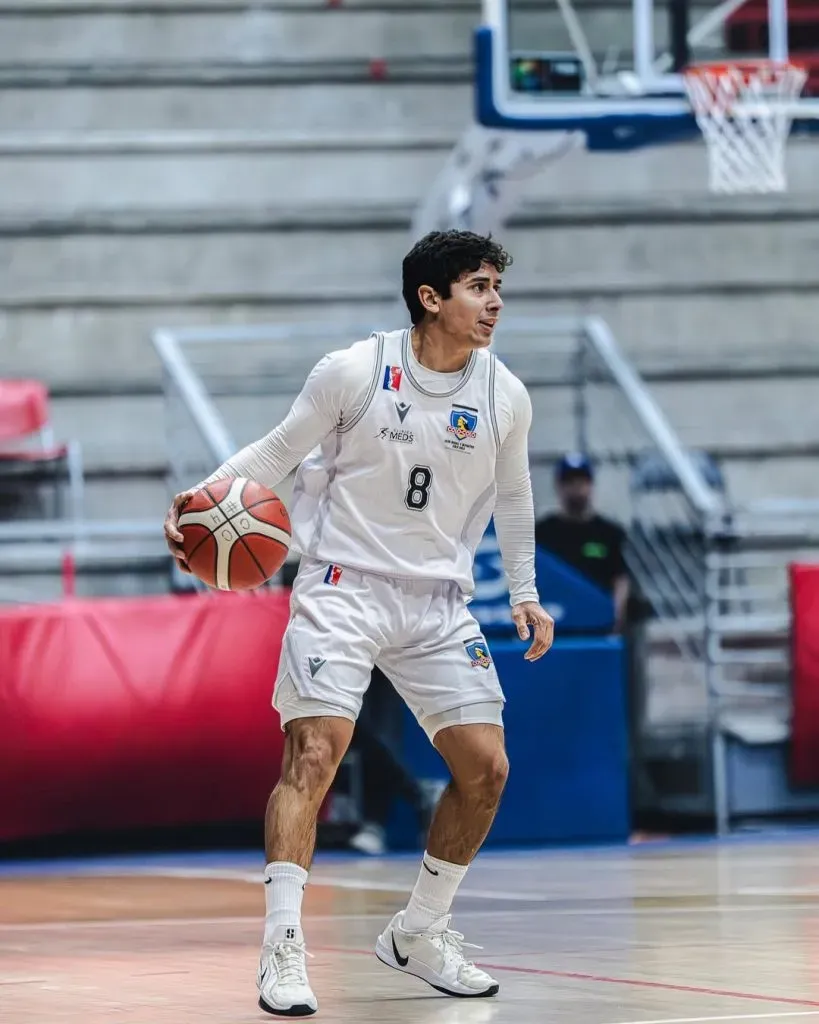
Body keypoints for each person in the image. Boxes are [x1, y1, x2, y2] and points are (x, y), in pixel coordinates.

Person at [163, 229, 554, 1018]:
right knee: (313, 756)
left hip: (438, 602)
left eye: (496, 288)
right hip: (342, 588)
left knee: (487, 771)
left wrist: (524, 591)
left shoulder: (503, 394)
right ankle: (282, 947)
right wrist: (198, 502)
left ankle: (419, 930)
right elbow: (273, 456)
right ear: (430, 298)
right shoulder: (353, 371)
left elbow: (512, 498)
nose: (494, 303)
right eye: (478, 288)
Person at [535, 453, 630, 633]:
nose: (576, 488)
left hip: (596, 623)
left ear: (590, 485)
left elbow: (620, 578)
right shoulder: (543, 532)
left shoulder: (609, 533)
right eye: (569, 483)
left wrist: (616, 616)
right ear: (559, 487)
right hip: (554, 622)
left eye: (581, 482)